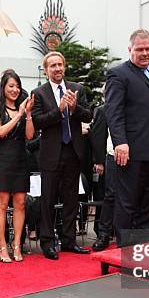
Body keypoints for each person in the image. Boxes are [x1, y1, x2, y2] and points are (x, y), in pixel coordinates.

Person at [104, 29, 149, 246]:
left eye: (148, 49)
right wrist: (120, 142)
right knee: (127, 201)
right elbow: (113, 112)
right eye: (139, 49)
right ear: (130, 49)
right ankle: (125, 246)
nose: (145, 53)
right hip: (131, 149)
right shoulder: (118, 74)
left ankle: (142, 240)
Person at [31, 51, 93, 260]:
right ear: (46, 69)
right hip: (50, 153)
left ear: (64, 66)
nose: (57, 69)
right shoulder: (39, 93)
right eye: (52, 66)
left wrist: (74, 108)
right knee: (47, 200)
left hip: (73, 151)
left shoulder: (77, 88)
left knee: (71, 199)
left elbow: (89, 114)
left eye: (60, 65)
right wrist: (59, 110)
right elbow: (38, 121)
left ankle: (69, 241)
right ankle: (47, 242)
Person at [0, 70, 35, 262]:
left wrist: (28, 114)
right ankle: (1, 245)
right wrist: (19, 114)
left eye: (17, 86)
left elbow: (30, 135)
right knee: (3, 203)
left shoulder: (24, 109)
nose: (15, 90)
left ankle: (17, 244)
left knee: (21, 203)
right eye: (11, 86)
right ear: (3, 88)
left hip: (21, 159)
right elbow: (0, 131)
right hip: (2, 159)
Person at [90, 104, 114, 251]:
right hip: (108, 158)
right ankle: (102, 232)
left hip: (130, 158)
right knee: (108, 196)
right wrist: (99, 161)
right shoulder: (103, 110)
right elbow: (98, 136)